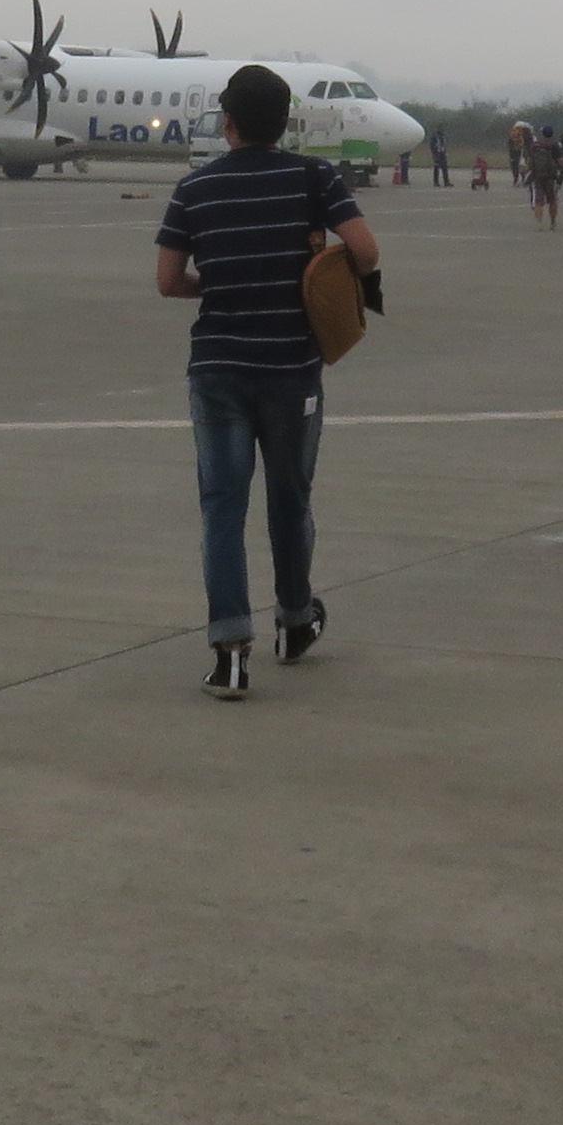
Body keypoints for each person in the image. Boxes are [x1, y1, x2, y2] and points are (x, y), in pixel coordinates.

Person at [153, 64, 383, 698]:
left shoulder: (194, 189)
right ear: (285, 123)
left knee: (222, 510)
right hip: (289, 370)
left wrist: (222, 283)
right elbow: (366, 253)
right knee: (289, 503)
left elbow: (169, 282)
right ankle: (295, 621)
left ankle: (229, 654)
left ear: (227, 121)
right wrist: (312, 273)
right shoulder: (315, 178)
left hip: (218, 370)